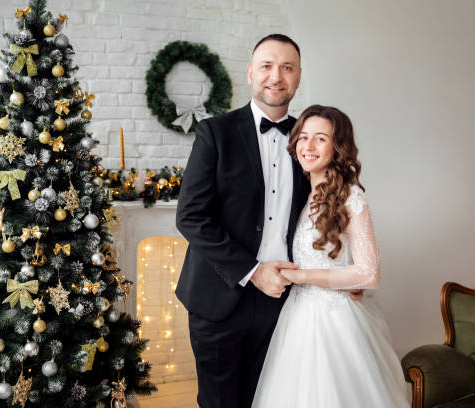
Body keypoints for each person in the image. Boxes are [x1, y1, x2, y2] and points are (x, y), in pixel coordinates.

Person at [176, 34, 315, 407]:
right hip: (219, 297)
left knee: (269, 399)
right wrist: (253, 270)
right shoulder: (215, 133)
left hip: (285, 300)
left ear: (298, 76)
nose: (276, 76)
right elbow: (190, 217)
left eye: (287, 67)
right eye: (267, 66)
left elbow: (329, 212)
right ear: (251, 73)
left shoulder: (311, 140)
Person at [251, 105, 410, 407]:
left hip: (335, 323)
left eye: (321, 139)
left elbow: (369, 273)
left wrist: (302, 276)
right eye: (303, 137)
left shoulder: (351, 197)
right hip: (297, 319)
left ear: (338, 147)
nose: (308, 147)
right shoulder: (304, 194)